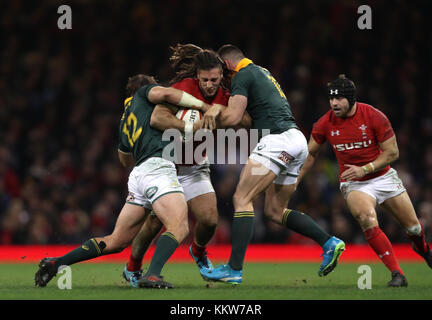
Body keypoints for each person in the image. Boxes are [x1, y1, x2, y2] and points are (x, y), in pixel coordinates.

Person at [34, 74, 213, 289]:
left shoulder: (125, 119)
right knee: (180, 226)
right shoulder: (144, 94)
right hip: (157, 169)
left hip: (138, 175)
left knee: (116, 240)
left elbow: (125, 158)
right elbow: (165, 92)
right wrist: (203, 106)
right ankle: (153, 275)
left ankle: (58, 262)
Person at [200, 44, 345, 284]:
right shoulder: (262, 72)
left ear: (226, 66)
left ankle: (234, 269)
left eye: (222, 76)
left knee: (241, 199)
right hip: (296, 140)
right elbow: (248, 120)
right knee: (274, 211)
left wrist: (212, 109)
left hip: (277, 141)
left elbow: (234, 117)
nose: (223, 82)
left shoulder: (242, 75)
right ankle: (329, 242)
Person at [122, 44, 251, 287]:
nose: (210, 85)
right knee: (153, 224)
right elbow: (158, 117)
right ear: (197, 76)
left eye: (214, 79)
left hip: (195, 168)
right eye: (205, 79)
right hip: (167, 166)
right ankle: (133, 267)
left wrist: (218, 111)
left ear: (221, 75)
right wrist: (194, 125)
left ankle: (199, 251)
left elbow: (245, 120)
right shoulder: (183, 88)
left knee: (210, 220)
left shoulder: (227, 94)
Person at [297, 74, 432, 287]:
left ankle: (423, 249)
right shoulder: (324, 123)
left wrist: (365, 168)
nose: (334, 103)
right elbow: (310, 153)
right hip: (354, 184)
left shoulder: (374, 116)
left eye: (339, 98)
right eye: (331, 99)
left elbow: (392, 152)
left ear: (351, 99)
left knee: (413, 228)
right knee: (366, 218)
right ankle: (397, 274)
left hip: (383, 177)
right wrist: (296, 179)